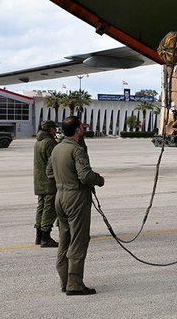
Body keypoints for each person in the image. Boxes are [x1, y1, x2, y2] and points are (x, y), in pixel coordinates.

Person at [46, 116, 105, 296]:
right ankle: (75, 284)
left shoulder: (57, 148)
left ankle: (65, 281)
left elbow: (49, 173)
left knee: (64, 240)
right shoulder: (76, 150)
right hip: (76, 198)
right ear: (78, 129)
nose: (82, 130)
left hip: (60, 196)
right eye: (81, 127)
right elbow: (85, 176)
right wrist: (99, 179)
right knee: (79, 240)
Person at [33, 120, 59, 248]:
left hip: (39, 180)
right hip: (49, 182)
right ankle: (45, 236)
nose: (56, 130)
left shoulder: (38, 142)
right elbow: (53, 162)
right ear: (50, 129)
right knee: (49, 208)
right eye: (54, 128)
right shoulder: (50, 142)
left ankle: (38, 235)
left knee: (41, 207)